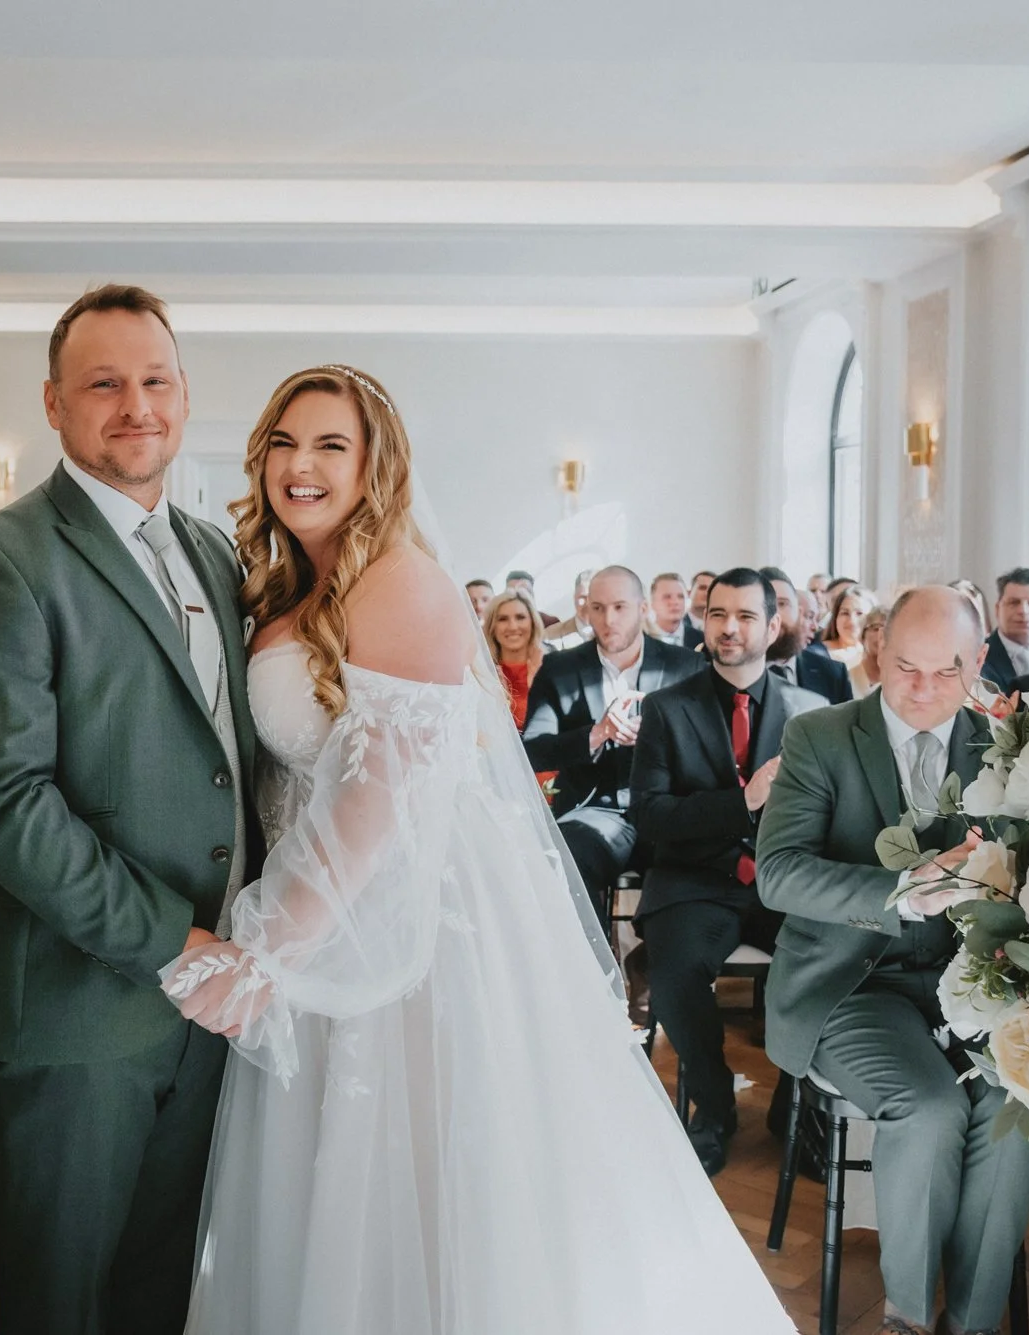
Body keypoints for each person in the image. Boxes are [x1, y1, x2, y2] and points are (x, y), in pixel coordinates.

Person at [156, 362, 793, 1334]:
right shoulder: (288, 582)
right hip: (324, 912)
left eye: (331, 444)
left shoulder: (400, 581)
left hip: (400, 930)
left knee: (415, 1190)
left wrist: (263, 951)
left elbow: (372, 801)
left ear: (375, 463)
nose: (300, 465)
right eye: (283, 442)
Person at [0, 284, 263, 1335]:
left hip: (206, 1013)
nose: (135, 405)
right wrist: (176, 943)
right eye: (102, 383)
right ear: (54, 404)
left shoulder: (214, 553)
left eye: (155, 380)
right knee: (58, 1308)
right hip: (67, 1015)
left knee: (158, 1298)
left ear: (185, 394)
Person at [758, 587, 1029, 1335]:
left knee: (1018, 1106)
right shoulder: (819, 733)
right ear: (877, 650)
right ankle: (908, 1318)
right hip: (849, 981)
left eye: (944, 672)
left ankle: (974, 1322)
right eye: (904, 666)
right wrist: (901, 891)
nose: (920, 689)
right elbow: (780, 870)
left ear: (978, 663)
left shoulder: (1005, 743)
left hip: (974, 977)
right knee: (928, 1107)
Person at [629, 567, 826, 1176]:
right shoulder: (667, 708)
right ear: (703, 621)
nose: (730, 628)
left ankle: (795, 1110)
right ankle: (713, 1108)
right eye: (718, 614)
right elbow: (650, 815)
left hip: (783, 881)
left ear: (774, 625)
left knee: (831, 962)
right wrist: (740, 803)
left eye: (745, 616)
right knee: (675, 976)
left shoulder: (812, 712)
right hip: (696, 879)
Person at [521, 565, 702, 936]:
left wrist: (658, 737)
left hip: (666, 809)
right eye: (598, 608)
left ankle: (653, 964)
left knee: (696, 864)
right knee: (564, 857)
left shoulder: (686, 666)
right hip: (595, 809)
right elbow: (533, 751)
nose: (608, 619)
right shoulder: (559, 667)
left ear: (642, 608)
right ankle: (597, 981)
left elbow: (707, 749)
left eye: (620, 607)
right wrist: (596, 733)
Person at [760, 566, 854, 704]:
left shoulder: (832, 673)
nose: (775, 616)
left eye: (782, 604)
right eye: (766, 605)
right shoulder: (732, 671)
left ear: (798, 611)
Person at [481, 586, 544, 730]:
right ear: (492, 626)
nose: (513, 626)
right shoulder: (482, 673)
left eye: (520, 617)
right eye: (503, 619)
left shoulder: (551, 667)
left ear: (533, 622)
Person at [824, 584, 878, 679]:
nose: (851, 621)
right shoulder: (815, 654)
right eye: (845, 613)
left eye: (859, 613)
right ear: (835, 618)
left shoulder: (882, 659)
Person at [543, 569, 596, 649]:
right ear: (574, 598)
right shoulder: (549, 638)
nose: (588, 604)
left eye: (594, 598)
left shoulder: (619, 633)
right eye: (582, 597)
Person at [649, 571, 699, 646]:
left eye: (680, 596)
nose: (675, 602)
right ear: (652, 603)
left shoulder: (700, 639)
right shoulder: (641, 639)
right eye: (667, 597)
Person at [854, 604, 890, 694]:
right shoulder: (846, 678)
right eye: (876, 628)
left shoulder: (899, 681)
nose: (882, 635)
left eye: (888, 630)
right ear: (863, 635)